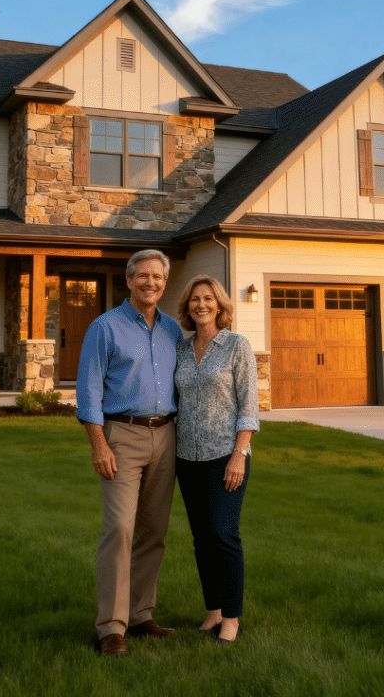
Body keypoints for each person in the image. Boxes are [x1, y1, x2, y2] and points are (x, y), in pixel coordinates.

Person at [76, 249, 183, 656]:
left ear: (164, 283)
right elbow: (89, 389)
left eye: (157, 276)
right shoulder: (105, 327)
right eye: (143, 276)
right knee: (120, 528)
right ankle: (111, 627)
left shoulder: (172, 330)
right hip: (122, 435)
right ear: (129, 280)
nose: (150, 282)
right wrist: (99, 444)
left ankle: (140, 614)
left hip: (166, 436)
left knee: (153, 531)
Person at [174, 275, 259, 645]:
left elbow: (249, 406)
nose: (202, 305)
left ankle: (232, 617)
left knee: (224, 535)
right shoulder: (182, 348)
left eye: (209, 299)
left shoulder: (237, 346)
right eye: (195, 299)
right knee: (202, 539)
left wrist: (239, 454)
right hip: (186, 457)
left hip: (225, 455)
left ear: (221, 305)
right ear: (187, 307)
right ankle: (213, 610)